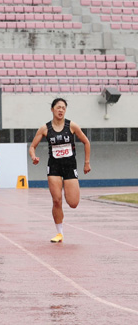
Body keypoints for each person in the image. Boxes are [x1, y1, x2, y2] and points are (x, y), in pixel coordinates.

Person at [28, 97, 92, 243]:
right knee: (57, 200)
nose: (61, 110)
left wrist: (86, 163)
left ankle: (69, 194)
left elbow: (86, 142)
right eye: (58, 107)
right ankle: (59, 232)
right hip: (54, 167)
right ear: (52, 109)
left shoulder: (71, 126)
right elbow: (32, 146)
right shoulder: (45, 128)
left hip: (70, 167)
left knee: (73, 203)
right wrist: (34, 156)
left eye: (63, 107)